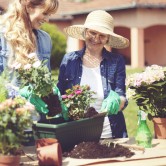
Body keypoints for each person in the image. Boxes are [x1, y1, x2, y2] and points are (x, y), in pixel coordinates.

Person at [57, 10, 129, 138]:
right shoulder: (69, 60)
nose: (96, 38)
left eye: (102, 35)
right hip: (74, 132)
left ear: (108, 38)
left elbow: (121, 95)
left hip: (108, 133)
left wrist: (118, 101)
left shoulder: (116, 61)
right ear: (85, 33)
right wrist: (58, 103)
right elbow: (59, 93)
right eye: (93, 32)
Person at [0, 0, 59, 115]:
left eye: (49, 15)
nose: (47, 20)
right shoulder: (2, 36)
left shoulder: (45, 39)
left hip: (36, 118)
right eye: (45, 13)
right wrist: (17, 96)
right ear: (29, 6)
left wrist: (51, 92)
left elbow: (46, 77)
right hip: (9, 118)